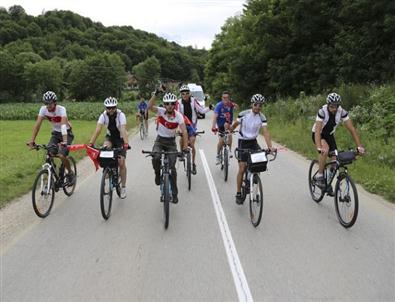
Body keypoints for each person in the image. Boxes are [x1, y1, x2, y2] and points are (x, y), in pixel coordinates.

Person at [312, 92, 365, 195]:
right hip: (319, 134)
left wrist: (359, 146)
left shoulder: (342, 112)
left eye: (336, 106)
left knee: (335, 159)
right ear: (328, 105)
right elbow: (318, 131)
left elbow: (352, 129)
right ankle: (319, 175)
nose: (334, 109)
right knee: (325, 150)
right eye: (332, 106)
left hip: (330, 135)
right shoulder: (322, 112)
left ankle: (327, 184)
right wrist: (319, 147)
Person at [230, 94, 275, 204]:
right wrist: (229, 130)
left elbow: (265, 132)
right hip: (243, 142)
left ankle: (253, 179)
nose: (258, 107)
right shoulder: (244, 114)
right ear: (252, 104)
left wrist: (270, 147)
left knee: (259, 163)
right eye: (256, 105)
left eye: (260, 105)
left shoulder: (262, 117)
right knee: (242, 168)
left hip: (253, 142)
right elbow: (235, 124)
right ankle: (238, 192)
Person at [148, 89, 188, 204]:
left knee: (173, 168)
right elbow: (149, 106)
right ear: (164, 105)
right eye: (167, 104)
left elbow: (184, 132)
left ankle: (175, 193)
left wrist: (185, 146)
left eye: (172, 104)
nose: (169, 106)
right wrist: (155, 94)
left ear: (175, 104)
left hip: (171, 143)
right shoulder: (160, 112)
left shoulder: (179, 116)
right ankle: (157, 174)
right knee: (155, 157)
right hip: (159, 141)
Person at [27, 91, 75, 183]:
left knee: (61, 154)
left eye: (50, 103)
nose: (48, 105)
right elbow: (37, 125)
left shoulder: (61, 109)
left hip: (67, 134)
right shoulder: (43, 109)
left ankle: (70, 173)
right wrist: (32, 140)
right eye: (46, 103)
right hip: (56, 134)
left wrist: (64, 141)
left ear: (55, 102)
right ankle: (53, 172)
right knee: (49, 153)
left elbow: (63, 126)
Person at [88, 97, 130, 199]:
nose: (111, 110)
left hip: (120, 138)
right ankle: (108, 178)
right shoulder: (103, 115)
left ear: (116, 107)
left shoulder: (121, 115)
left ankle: (123, 187)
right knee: (105, 152)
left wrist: (126, 143)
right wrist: (91, 143)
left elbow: (123, 130)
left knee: (121, 162)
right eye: (109, 108)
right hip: (110, 137)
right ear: (106, 108)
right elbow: (98, 130)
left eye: (113, 108)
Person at [176, 84, 212, 174]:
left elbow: (201, 110)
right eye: (183, 93)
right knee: (182, 139)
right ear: (181, 94)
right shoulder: (178, 103)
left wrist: (209, 108)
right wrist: (176, 127)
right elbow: (176, 114)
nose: (185, 95)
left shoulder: (193, 101)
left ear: (189, 93)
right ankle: (181, 152)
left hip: (192, 125)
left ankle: (193, 164)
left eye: (187, 93)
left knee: (191, 144)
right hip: (182, 124)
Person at [211, 91, 236, 164]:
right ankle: (218, 155)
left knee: (230, 135)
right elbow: (215, 117)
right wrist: (213, 127)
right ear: (222, 98)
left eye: (227, 98)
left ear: (229, 98)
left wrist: (235, 105)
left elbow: (234, 109)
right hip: (220, 125)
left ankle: (229, 151)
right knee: (221, 141)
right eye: (223, 97)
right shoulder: (219, 105)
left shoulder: (230, 104)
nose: (225, 99)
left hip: (228, 124)